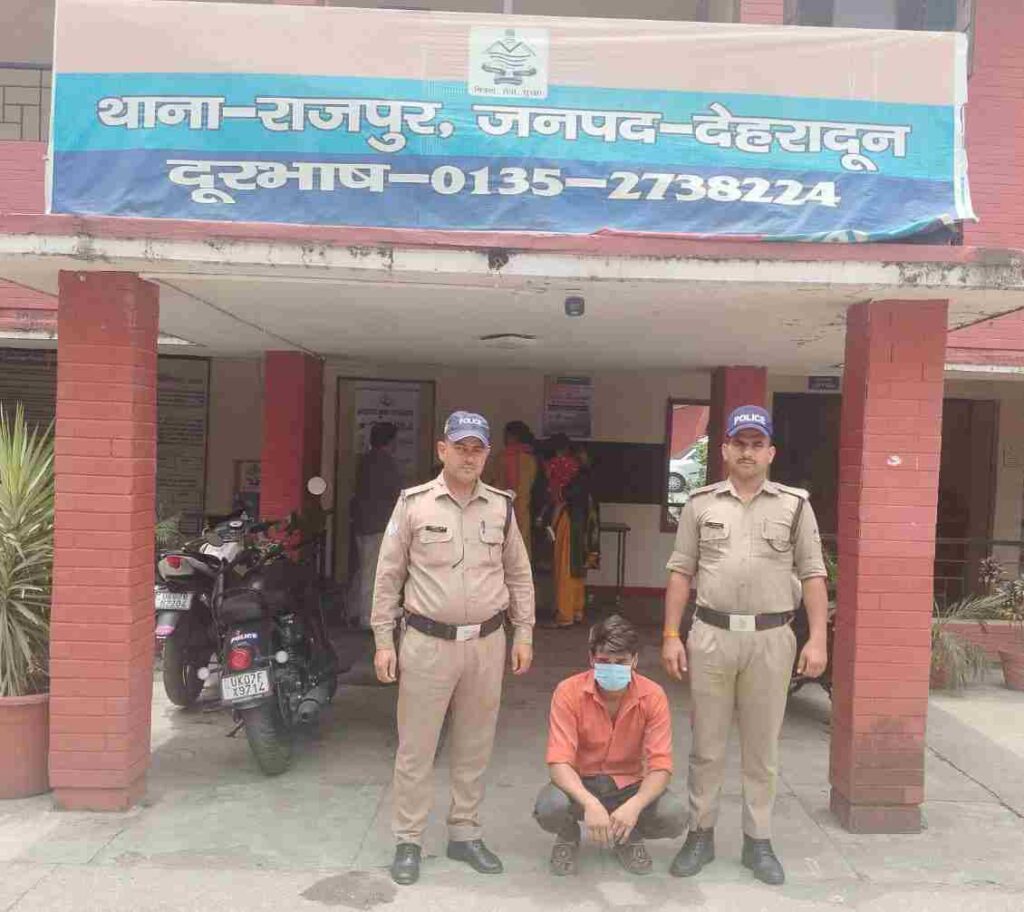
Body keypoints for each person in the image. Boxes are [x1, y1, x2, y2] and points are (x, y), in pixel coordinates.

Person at [661, 405, 828, 886]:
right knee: (707, 745)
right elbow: (681, 571)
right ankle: (700, 834)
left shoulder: (795, 506)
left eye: (757, 444)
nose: (748, 452)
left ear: (770, 452)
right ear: (725, 450)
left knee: (762, 748)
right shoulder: (701, 504)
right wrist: (671, 635)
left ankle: (758, 841)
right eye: (740, 443)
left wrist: (818, 639)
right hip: (711, 636)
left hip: (772, 639)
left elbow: (813, 574)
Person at [371, 411, 536, 886]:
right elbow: (388, 576)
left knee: (475, 745)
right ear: (442, 450)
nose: (468, 456)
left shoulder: (501, 507)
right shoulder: (414, 504)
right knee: (416, 747)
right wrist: (383, 640)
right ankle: (408, 839)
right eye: (460, 447)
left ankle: (465, 832)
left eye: (477, 449)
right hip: (426, 644)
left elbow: (518, 575)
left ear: (487, 455)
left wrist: (524, 633)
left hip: (486, 644)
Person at [534, 614, 685, 876]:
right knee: (550, 807)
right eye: (604, 661)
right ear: (591, 659)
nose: (612, 668)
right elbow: (559, 761)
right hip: (581, 783)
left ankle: (627, 833)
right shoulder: (568, 692)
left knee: (674, 815)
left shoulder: (653, 696)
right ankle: (568, 835)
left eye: (621, 662)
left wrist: (635, 806)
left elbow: (661, 765)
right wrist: (590, 803)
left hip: (629, 786)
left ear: (635, 661)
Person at [349, 422, 403, 628]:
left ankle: (353, 610)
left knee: (364, 569)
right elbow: (395, 493)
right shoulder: (386, 463)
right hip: (378, 524)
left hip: (363, 523)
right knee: (372, 573)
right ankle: (367, 617)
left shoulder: (365, 460)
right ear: (390, 441)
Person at [544, 434, 586, 628]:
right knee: (576, 566)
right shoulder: (581, 468)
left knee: (564, 567)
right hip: (580, 520)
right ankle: (577, 610)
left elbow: (556, 495)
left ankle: (564, 615)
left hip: (565, 517)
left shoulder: (557, 465)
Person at [493, 420, 539, 562]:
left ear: (512, 437)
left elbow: (488, 481)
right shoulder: (530, 459)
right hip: (522, 511)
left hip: (501, 510)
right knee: (521, 553)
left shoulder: (501, 458)